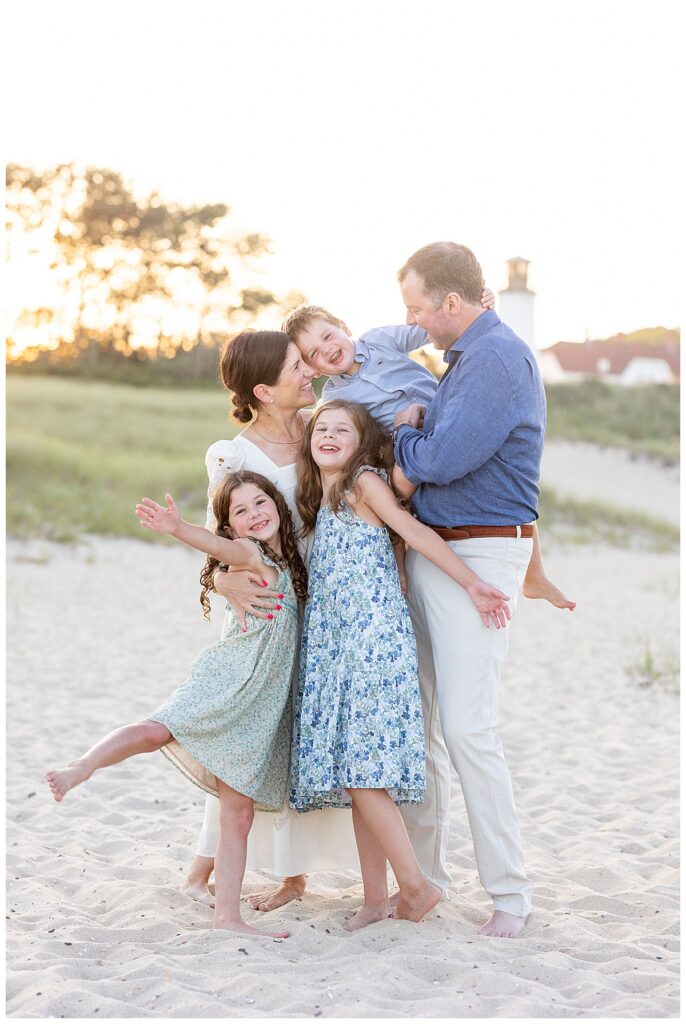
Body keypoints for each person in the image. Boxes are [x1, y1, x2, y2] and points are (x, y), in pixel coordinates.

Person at [46, 471, 307, 938]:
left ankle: (227, 916)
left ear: (278, 504)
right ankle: (82, 766)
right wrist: (180, 529)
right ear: (231, 528)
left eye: (260, 502)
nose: (254, 515)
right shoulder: (250, 554)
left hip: (259, 706)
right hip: (224, 682)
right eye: (240, 512)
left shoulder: (293, 562)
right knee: (155, 730)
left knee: (239, 814)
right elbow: (221, 549)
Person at [290, 399, 513, 930]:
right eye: (321, 427)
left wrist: (472, 583)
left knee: (363, 774)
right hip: (336, 642)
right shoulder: (321, 492)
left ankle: (415, 886)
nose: (329, 434)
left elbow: (413, 533)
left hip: (371, 641)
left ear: (361, 442)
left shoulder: (364, 483)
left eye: (343, 428)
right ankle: (374, 900)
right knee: (359, 777)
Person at [391, 241, 547, 939]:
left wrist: (404, 437)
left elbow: (445, 458)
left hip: (482, 552)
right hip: (437, 551)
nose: (415, 321)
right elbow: (440, 456)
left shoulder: (495, 358)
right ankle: (426, 882)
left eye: (417, 309)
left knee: (467, 727)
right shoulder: (463, 359)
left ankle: (510, 893)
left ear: (452, 303)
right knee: (421, 727)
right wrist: (424, 434)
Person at [182, 330, 360, 913]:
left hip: (324, 600)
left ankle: (292, 874)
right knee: (249, 732)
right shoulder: (231, 455)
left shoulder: (324, 433)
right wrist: (223, 584)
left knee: (298, 732)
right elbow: (220, 543)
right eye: (295, 366)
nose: (309, 370)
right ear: (263, 389)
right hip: (267, 609)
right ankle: (209, 861)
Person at [282, 303, 574, 612]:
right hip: (398, 446)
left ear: (343, 325)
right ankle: (400, 556)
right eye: (313, 353)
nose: (326, 350)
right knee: (397, 493)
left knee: (503, 476)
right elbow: (324, 424)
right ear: (312, 367)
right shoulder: (334, 396)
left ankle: (535, 574)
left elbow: (427, 329)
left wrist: (475, 307)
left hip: (444, 418)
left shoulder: (379, 339)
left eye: (328, 336)